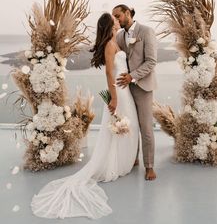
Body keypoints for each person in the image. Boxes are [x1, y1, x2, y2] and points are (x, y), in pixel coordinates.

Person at [31, 13, 139, 219]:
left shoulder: (115, 40)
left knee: (126, 125)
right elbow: (109, 73)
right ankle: (114, 163)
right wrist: (113, 98)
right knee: (119, 126)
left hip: (124, 88)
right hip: (119, 91)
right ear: (110, 25)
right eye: (114, 19)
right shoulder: (109, 44)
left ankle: (124, 160)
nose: (117, 20)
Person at [112, 4, 157, 180]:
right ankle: (133, 158)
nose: (116, 20)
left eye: (118, 16)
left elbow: (151, 61)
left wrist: (132, 76)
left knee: (146, 128)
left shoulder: (146, 31)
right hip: (126, 88)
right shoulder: (120, 36)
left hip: (143, 86)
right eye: (114, 17)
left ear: (128, 13)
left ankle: (149, 166)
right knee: (130, 125)